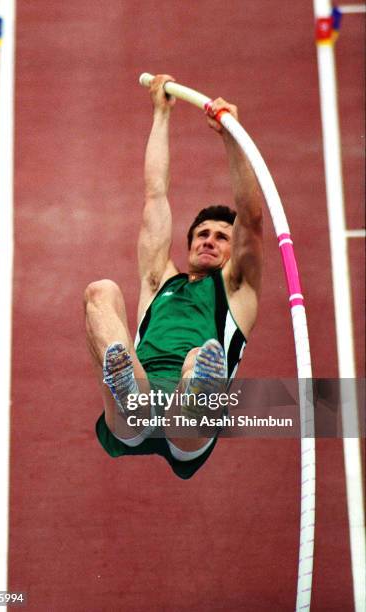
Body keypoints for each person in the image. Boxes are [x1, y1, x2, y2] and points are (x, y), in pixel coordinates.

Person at [84, 74, 263, 479]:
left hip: (188, 423)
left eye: (222, 237)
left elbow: (251, 218)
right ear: (188, 245)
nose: (210, 240)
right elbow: (155, 193)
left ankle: (198, 392)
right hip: (137, 401)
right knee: (100, 292)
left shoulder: (237, 293)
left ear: (235, 253)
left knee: (201, 357)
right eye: (202, 234)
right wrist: (160, 114)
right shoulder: (157, 282)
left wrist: (231, 137)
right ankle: (130, 388)